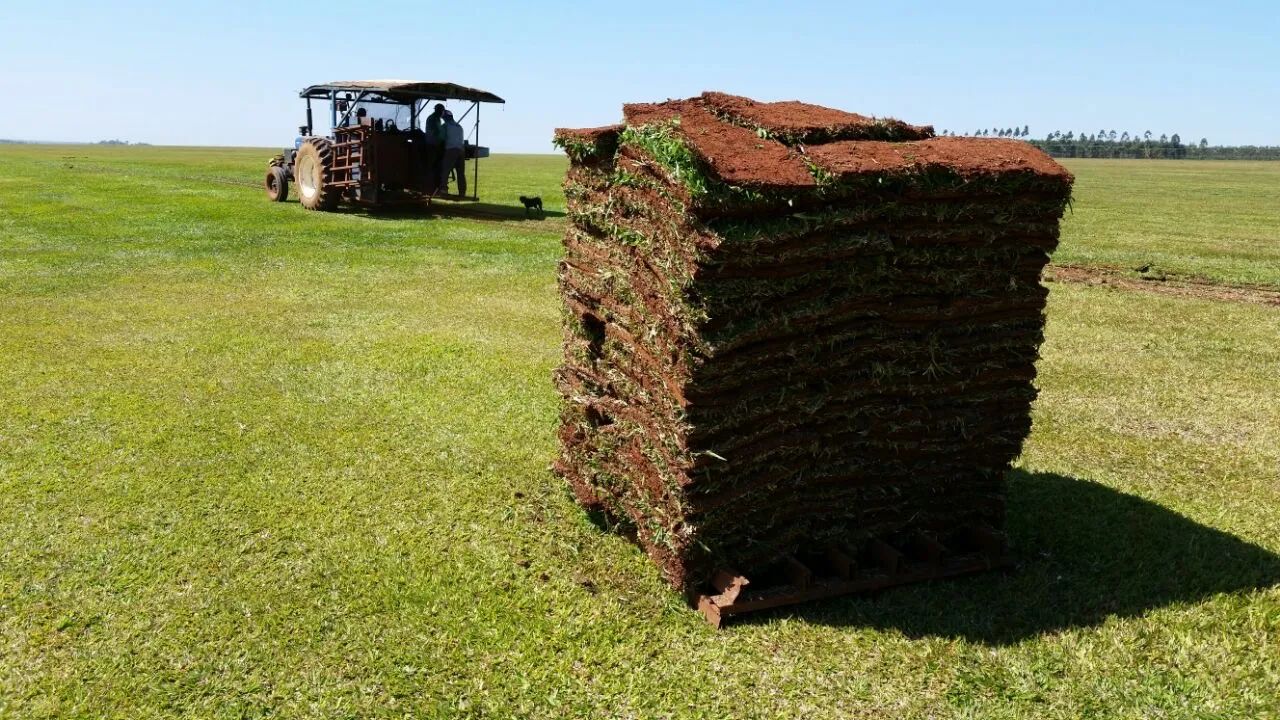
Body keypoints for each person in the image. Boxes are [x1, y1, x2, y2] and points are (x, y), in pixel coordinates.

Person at [439, 111, 467, 196]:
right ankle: (462, 192)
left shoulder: (445, 126)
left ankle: (444, 190)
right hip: (461, 151)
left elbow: (441, 139)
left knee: (445, 170)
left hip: (451, 150)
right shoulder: (459, 126)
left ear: (445, 118)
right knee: (461, 173)